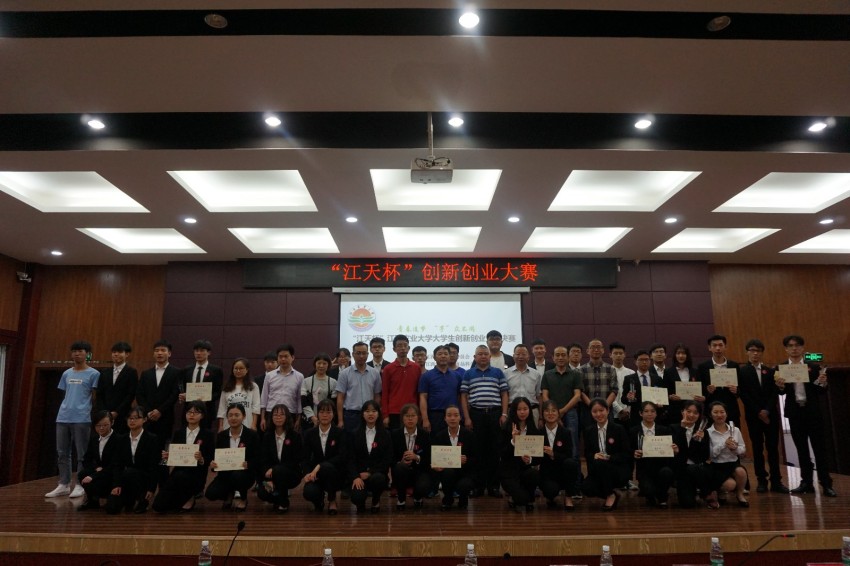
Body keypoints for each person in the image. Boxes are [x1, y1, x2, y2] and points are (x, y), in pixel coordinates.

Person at [774, 335, 836, 497]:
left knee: (820, 449)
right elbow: (780, 392)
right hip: (795, 414)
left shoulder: (813, 367)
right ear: (786, 349)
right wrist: (780, 387)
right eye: (790, 346)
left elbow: (820, 390)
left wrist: (822, 382)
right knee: (801, 450)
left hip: (813, 413)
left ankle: (826, 484)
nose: (794, 348)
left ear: (802, 348)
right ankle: (806, 483)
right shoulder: (781, 368)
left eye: (797, 345)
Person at [46, 340, 100, 499]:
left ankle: (80, 484)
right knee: (62, 452)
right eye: (75, 351)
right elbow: (65, 393)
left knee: (82, 454)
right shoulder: (66, 373)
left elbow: (95, 397)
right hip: (63, 416)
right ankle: (64, 483)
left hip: (82, 418)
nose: (77, 354)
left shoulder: (94, 374)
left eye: (81, 351)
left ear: (87, 354)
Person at [738, 339, 788, 494]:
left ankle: (776, 481)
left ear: (762, 353)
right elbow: (743, 394)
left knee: (773, 448)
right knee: (757, 448)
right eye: (752, 350)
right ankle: (761, 481)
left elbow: (775, 393)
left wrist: (766, 410)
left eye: (758, 351)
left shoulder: (770, 371)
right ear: (747, 352)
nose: (755, 353)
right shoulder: (741, 372)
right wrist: (759, 412)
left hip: (771, 415)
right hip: (753, 416)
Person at [460, 344, 509, 498]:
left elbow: (504, 394)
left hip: (495, 414)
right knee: (477, 451)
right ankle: (478, 486)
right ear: (474, 357)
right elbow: (464, 396)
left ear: (490, 357)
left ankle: (494, 486)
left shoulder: (498, 372)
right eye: (479, 354)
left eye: (485, 354)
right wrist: (467, 417)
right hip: (476, 414)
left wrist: (504, 414)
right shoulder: (468, 374)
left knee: (494, 451)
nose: (483, 356)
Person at [152, 400, 215, 513]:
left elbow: (210, 458)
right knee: (158, 506)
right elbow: (174, 455)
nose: (191, 415)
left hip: (197, 474)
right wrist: (169, 457)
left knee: (181, 481)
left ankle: (190, 497)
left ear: (202, 416)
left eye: (196, 412)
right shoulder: (179, 433)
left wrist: (201, 458)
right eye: (189, 412)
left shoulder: (208, 435)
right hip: (178, 473)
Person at [540, 345, 584, 493]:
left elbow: (577, 396)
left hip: (570, 413)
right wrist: (554, 413)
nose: (560, 357)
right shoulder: (547, 374)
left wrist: (562, 411)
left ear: (568, 357)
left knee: (574, 449)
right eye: (557, 355)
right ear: (552, 358)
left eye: (563, 355)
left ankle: (575, 487)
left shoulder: (575, 374)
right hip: (551, 413)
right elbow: (544, 395)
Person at [206, 403, 261, 511]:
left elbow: (258, 458)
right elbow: (216, 457)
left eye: (237, 415)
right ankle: (229, 494)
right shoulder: (221, 436)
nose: (233, 418)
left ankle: (243, 498)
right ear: (227, 417)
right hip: (225, 474)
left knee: (237, 476)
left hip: (245, 474)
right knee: (210, 494)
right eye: (230, 415)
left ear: (244, 416)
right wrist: (213, 465)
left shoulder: (252, 435)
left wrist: (249, 464)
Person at [105, 406, 159, 514]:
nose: (132, 421)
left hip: (144, 479)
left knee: (130, 472)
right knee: (111, 508)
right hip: (126, 479)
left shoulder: (152, 439)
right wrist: (116, 485)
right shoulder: (121, 439)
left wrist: (151, 489)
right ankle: (129, 499)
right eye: (130, 418)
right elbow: (117, 465)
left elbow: (154, 466)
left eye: (136, 418)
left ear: (144, 419)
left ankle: (142, 499)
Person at [583, 398, 630, 511]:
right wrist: (593, 456)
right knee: (586, 488)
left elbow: (626, 454)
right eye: (595, 411)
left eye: (601, 410)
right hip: (598, 469)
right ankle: (612, 494)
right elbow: (587, 453)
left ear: (608, 410)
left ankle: (610, 495)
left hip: (616, 468)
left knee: (601, 463)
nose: (598, 414)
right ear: (591, 413)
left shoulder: (619, 429)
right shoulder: (588, 431)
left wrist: (609, 457)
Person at [301, 399, 347, 515]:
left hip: (335, 473)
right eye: (321, 412)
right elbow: (305, 458)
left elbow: (342, 457)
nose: (325, 415)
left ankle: (332, 500)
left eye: (328, 412)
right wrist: (307, 473)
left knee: (327, 468)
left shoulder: (340, 433)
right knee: (309, 492)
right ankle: (319, 502)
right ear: (317, 414)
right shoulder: (309, 433)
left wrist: (320, 466)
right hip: (315, 475)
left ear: (333, 414)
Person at [135, 339, 181, 452]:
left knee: (162, 449)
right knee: (146, 448)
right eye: (156, 350)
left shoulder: (177, 372)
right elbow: (140, 394)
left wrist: (160, 411)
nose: (159, 353)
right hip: (148, 417)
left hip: (165, 416)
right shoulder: (146, 373)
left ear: (169, 353)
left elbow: (174, 394)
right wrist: (148, 411)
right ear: (153, 353)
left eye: (163, 350)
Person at [629, 401, 677, 508]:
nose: (649, 414)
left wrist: (674, 450)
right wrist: (633, 452)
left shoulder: (664, 430)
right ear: (640, 413)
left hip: (661, 467)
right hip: (644, 469)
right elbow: (628, 450)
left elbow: (670, 450)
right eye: (646, 411)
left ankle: (662, 496)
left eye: (652, 411)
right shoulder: (634, 431)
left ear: (656, 413)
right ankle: (650, 494)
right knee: (648, 490)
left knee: (667, 473)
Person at [257, 404, 303, 513]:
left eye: (282, 414)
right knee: (262, 493)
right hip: (271, 475)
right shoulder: (267, 436)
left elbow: (296, 460)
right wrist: (268, 479)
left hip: (291, 474)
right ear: (271, 417)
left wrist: (274, 470)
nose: (278, 417)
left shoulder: (295, 436)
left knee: (279, 471)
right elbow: (263, 460)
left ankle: (283, 502)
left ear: (287, 417)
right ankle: (278, 498)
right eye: (275, 415)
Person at [348, 400, 392, 514]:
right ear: (362, 414)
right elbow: (350, 459)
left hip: (377, 474)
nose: (370, 414)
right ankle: (360, 503)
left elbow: (387, 459)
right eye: (367, 411)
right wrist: (356, 476)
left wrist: (370, 472)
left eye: (374, 411)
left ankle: (375, 500)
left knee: (378, 479)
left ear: (378, 414)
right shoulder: (354, 434)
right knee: (357, 497)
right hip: (359, 476)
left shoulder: (386, 434)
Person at [499, 397, 541, 512]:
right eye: (519, 409)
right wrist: (513, 441)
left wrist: (530, 459)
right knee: (521, 500)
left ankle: (528, 497)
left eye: (525, 409)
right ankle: (518, 497)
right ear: (514, 411)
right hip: (509, 472)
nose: (522, 412)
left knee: (534, 473)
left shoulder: (534, 430)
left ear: (529, 410)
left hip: (525, 471)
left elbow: (538, 458)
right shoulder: (506, 429)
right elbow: (502, 454)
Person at [704, 401, 748, 509]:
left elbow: (743, 449)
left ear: (726, 414)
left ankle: (740, 495)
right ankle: (721, 492)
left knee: (741, 471)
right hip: (717, 465)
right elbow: (711, 454)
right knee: (730, 485)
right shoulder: (708, 432)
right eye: (715, 412)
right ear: (710, 415)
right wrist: (723, 444)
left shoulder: (735, 430)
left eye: (722, 412)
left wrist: (735, 449)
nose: (719, 415)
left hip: (733, 463)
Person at [430, 405, 475, 510]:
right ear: (445, 418)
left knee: (465, 484)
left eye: (456, 415)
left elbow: (476, 458)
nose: (452, 418)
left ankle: (463, 499)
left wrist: (466, 460)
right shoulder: (439, 436)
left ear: (460, 417)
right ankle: (448, 499)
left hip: (465, 472)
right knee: (447, 472)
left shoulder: (469, 435)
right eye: (449, 415)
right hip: (447, 473)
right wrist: (435, 465)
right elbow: (434, 457)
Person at [77, 410, 123, 511]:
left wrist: (93, 476)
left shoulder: (119, 439)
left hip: (113, 475)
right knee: (82, 474)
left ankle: (110, 496)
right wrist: (96, 468)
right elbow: (86, 459)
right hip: (99, 472)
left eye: (105, 425)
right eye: (98, 425)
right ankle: (93, 500)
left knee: (112, 509)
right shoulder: (94, 439)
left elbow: (116, 464)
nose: (101, 428)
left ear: (112, 423)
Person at [538, 400, 579, 510]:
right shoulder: (539, 433)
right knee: (550, 491)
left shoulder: (566, 432)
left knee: (571, 463)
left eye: (553, 411)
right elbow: (537, 459)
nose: (550, 414)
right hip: (547, 473)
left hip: (563, 471)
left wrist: (553, 454)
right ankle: (550, 497)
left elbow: (569, 455)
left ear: (558, 413)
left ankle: (568, 497)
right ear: (542, 414)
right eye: (547, 411)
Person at [391, 403, 432, 510]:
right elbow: (390, 456)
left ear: (418, 417)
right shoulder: (395, 434)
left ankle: (418, 497)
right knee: (400, 468)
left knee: (424, 486)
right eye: (407, 416)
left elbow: (429, 458)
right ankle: (401, 499)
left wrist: (416, 457)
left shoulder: (425, 435)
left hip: (419, 471)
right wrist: (400, 462)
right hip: (401, 471)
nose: (410, 418)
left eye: (413, 415)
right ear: (402, 418)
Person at [335, 341, 382, 434]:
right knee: (351, 441)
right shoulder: (345, 373)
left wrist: (377, 414)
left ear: (368, 354)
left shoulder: (375, 373)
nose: (361, 356)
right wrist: (340, 420)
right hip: (351, 415)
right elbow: (340, 398)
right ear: (353, 354)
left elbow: (377, 396)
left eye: (364, 353)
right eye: (358, 353)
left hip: (370, 414)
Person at [671, 400, 710, 509]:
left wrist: (701, 441)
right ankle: (695, 491)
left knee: (695, 469)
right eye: (688, 411)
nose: (691, 415)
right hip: (681, 470)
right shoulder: (673, 428)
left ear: (699, 415)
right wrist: (682, 428)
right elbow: (675, 453)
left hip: (697, 469)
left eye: (695, 413)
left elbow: (705, 456)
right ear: (682, 412)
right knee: (687, 504)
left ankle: (707, 493)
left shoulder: (703, 431)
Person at [696, 335, 741, 428]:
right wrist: (707, 391)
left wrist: (736, 390)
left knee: (734, 436)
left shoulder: (734, 365)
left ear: (725, 347)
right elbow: (699, 390)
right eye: (714, 345)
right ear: (709, 348)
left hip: (731, 410)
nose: (718, 348)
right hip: (711, 411)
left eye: (720, 345)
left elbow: (742, 388)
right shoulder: (702, 367)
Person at [180, 339, 224, 430]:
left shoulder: (216, 370)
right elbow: (183, 388)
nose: (198, 353)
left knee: (205, 436)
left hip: (207, 411)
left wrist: (206, 399)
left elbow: (217, 392)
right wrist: (183, 395)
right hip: (189, 410)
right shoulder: (187, 370)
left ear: (209, 352)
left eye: (202, 351)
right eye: (196, 351)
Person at [95, 341, 138, 434]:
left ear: (127, 354)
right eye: (114, 352)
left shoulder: (131, 372)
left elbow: (130, 395)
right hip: (104, 415)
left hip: (122, 414)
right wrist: (105, 413)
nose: (116, 354)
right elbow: (99, 393)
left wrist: (117, 412)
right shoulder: (105, 372)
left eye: (119, 352)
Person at [260, 343, 304, 432]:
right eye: (280, 356)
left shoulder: (299, 376)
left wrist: (298, 419)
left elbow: (299, 399)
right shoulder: (269, 375)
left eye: (286, 356)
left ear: (292, 357)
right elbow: (264, 398)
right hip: (271, 413)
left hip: (290, 414)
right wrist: (262, 418)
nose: (283, 359)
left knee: (289, 439)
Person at [418, 345, 461, 434]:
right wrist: (425, 419)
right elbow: (423, 397)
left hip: (452, 415)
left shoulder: (457, 376)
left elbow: (459, 397)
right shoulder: (426, 376)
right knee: (435, 440)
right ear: (434, 357)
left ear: (449, 356)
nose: (443, 356)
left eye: (446, 354)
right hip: (434, 415)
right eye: (440, 354)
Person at [381, 334, 421, 429]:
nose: (403, 348)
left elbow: (419, 393)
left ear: (409, 348)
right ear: (394, 349)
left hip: (412, 411)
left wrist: (420, 413)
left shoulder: (416, 367)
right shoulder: (388, 368)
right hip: (394, 411)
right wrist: (385, 415)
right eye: (399, 346)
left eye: (405, 345)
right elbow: (385, 393)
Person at [621, 349, 664, 429]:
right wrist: (628, 398)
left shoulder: (657, 379)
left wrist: (661, 403)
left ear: (650, 361)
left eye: (646, 360)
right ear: (635, 362)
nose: (644, 362)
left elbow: (662, 398)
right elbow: (623, 399)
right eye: (641, 360)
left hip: (654, 416)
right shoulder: (629, 379)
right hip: (636, 417)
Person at [663, 343, 702, 427]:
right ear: (675, 355)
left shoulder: (695, 371)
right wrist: (670, 396)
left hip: (692, 410)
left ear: (687, 355)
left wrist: (701, 397)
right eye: (678, 353)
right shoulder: (668, 372)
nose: (681, 356)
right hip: (675, 409)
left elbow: (700, 389)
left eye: (683, 353)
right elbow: (664, 391)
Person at [217, 358, 261, 431]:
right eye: (236, 368)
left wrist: (253, 424)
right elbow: (222, 408)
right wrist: (221, 426)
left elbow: (256, 407)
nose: (238, 371)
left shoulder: (253, 386)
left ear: (247, 370)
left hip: (247, 424)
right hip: (228, 425)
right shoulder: (227, 387)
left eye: (241, 368)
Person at [504, 344, 542, 423]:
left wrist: (541, 417)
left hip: (532, 411)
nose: (520, 356)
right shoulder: (506, 373)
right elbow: (504, 395)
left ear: (528, 356)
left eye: (523, 354)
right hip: (512, 411)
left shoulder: (536, 374)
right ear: (513, 356)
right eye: (518, 354)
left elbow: (539, 396)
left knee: (532, 431)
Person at [301, 353, 338, 430]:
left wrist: (325, 418)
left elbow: (333, 403)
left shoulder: (333, 382)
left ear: (328, 365)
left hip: (327, 420)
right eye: (319, 363)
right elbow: (303, 401)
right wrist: (313, 417)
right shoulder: (306, 381)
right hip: (309, 421)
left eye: (324, 363)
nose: (321, 366)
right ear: (315, 364)